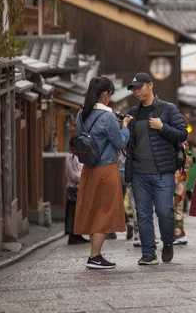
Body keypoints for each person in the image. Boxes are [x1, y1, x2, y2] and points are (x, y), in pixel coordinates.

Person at [124, 72, 188, 265]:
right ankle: (148, 253)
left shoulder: (168, 109)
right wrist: (124, 128)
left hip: (162, 171)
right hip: (138, 173)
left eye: (139, 87)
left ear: (150, 85)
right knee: (142, 214)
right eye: (133, 88)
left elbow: (182, 134)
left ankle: (167, 242)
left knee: (164, 211)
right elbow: (129, 143)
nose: (136, 91)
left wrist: (162, 127)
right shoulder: (133, 113)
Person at [74, 76, 132, 269]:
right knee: (104, 211)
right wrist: (125, 127)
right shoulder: (107, 117)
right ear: (106, 94)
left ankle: (95, 254)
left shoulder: (81, 114)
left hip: (88, 169)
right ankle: (94, 256)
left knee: (92, 210)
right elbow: (121, 143)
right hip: (106, 169)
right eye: (111, 94)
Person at [65, 136, 89, 245]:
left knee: (79, 213)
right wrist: (84, 177)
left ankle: (78, 234)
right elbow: (72, 175)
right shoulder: (70, 157)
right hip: (74, 188)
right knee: (73, 213)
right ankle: (73, 235)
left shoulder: (80, 157)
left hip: (82, 187)